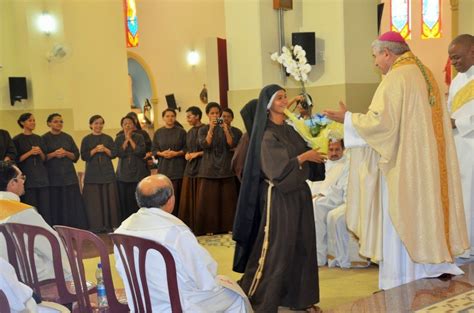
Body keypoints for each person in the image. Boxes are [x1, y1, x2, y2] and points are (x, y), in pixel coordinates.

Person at [324, 31, 469, 290]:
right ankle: (425, 268)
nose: (375, 63)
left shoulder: (397, 78)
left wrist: (347, 118)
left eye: (376, 56)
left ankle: (401, 278)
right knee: (423, 216)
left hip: (404, 168)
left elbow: (381, 124)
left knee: (400, 217)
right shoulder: (425, 73)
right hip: (427, 167)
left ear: (387, 53)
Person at [236, 84, 325, 312]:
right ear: (268, 105)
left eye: (285, 97)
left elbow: (307, 147)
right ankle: (261, 299)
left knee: (302, 246)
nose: (285, 101)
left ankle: (300, 299)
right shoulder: (266, 134)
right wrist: (305, 156)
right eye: (279, 98)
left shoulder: (290, 129)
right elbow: (277, 170)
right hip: (279, 197)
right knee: (278, 248)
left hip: (300, 194)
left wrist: (319, 145)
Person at [114, 174, 250, 313]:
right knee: (236, 295)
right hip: (178, 305)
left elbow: (120, 269)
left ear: (138, 201)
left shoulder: (123, 228)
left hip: (140, 302)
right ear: (171, 200)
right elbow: (204, 275)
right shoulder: (176, 232)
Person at [0, 161, 71, 283]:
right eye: (21, 177)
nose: (23, 181)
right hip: (31, 276)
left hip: (4, 279)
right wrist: (70, 271)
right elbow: (52, 245)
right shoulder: (23, 213)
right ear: (12, 183)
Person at [195, 102, 240, 235]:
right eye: (212, 113)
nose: (215, 115)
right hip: (209, 168)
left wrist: (225, 129)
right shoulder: (202, 129)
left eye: (217, 113)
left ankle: (229, 226)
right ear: (207, 115)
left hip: (225, 167)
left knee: (228, 200)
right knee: (209, 201)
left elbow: (232, 144)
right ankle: (209, 228)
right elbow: (205, 145)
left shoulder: (227, 127)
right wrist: (211, 129)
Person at [447, 34, 474, 258]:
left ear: (472, 50)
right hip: (457, 146)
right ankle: (464, 245)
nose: (454, 62)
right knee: (462, 197)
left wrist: (459, 122)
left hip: (472, 145)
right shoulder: (456, 81)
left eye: (457, 57)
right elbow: (449, 111)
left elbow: (458, 117)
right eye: (451, 59)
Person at [42, 113, 88, 229]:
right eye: (56, 121)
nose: (59, 124)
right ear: (49, 123)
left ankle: (73, 226)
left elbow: (76, 156)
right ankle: (58, 226)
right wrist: (54, 154)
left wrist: (66, 153)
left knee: (71, 202)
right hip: (53, 176)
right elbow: (42, 158)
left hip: (69, 176)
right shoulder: (44, 138)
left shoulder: (67, 137)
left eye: (61, 121)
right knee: (57, 203)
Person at [310, 139, 350, 266]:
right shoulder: (321, 162)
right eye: (331, 150)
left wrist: (322, 195)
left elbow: (342, 189)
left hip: (335, 199)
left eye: (337, 149)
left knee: (317, 206)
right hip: (318, 197)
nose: (334, 153)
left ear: (343, 150)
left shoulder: (346, 165)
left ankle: (319, 257)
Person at [80, 115, 120, 232]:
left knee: (109, 199)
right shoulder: (86, 139)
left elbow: (114, 154)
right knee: (95, 201)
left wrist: (106, 150)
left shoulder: (108, 138)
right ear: (91, 125)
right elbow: (84, 156)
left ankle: (109, 225)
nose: (99, 126)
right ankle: (96, 226)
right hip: (92, 174)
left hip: (107, 173)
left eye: (101, 123)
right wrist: (95, 150)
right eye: (96, 123)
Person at [13, 113, 51, 224]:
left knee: (45, 206)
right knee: (30, 205)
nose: (33, 122)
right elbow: (17, 160)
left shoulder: (39, 138)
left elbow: (44, 158)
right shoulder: (17, 139)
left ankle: (46, 227)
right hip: (28, 178)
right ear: (22, 123)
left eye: (34, 120)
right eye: (30, 120)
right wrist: (29, 153)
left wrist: (40, 153)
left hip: (41, 176)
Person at [152, 108, 186, 216]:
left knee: (178, 195)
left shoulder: (181, 131)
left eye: (172, 116)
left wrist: (176, 153)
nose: (170, 118)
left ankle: (179, 217)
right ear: (163, 118)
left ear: (175, 117)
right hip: (164, 167)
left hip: (178, 167)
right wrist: (162, 154)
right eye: (167, 116)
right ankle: (166, 216)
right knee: (165, 195)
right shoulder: (158, 132)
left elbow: (187, 148)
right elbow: (154, 149)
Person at [115, 115, 148, 220]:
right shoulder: (119, 138)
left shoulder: (139, 137)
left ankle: (140, 219)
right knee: (124, 199)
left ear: (134, 125)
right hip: (123, 172)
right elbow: (119, 153)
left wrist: (130, 139)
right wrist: (126, 140)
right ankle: (126, 220)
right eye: (125, 124)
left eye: (130, 123)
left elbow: (140, 152)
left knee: (136, 198)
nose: (128, 125)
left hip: (138, 172)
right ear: (122, 126)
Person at [178, 106, 204, 230]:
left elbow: (211, 149)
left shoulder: (206, 128)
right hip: (190, 166)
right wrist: (188, 154)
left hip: (203, 166)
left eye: (189, 116)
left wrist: (197, 154)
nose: (187, 119)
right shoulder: (189, 132)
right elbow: (187, 148)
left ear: (197, 116)